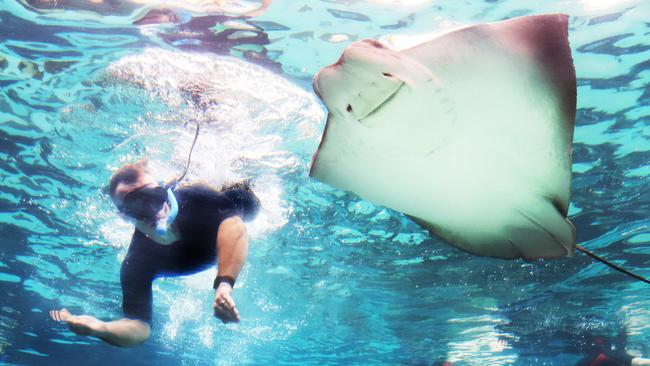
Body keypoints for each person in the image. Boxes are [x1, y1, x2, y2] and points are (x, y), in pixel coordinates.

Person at [50, 159, 260, 347]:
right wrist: (100, 328)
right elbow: (139, 326)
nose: (152, 213)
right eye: (136, 207)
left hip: (233, 201)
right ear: (125, 217)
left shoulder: (196, 198)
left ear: (165, 192)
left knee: (246, 200)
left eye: (153, 198)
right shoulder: (137, 262)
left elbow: (233, 226)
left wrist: (224, 286)